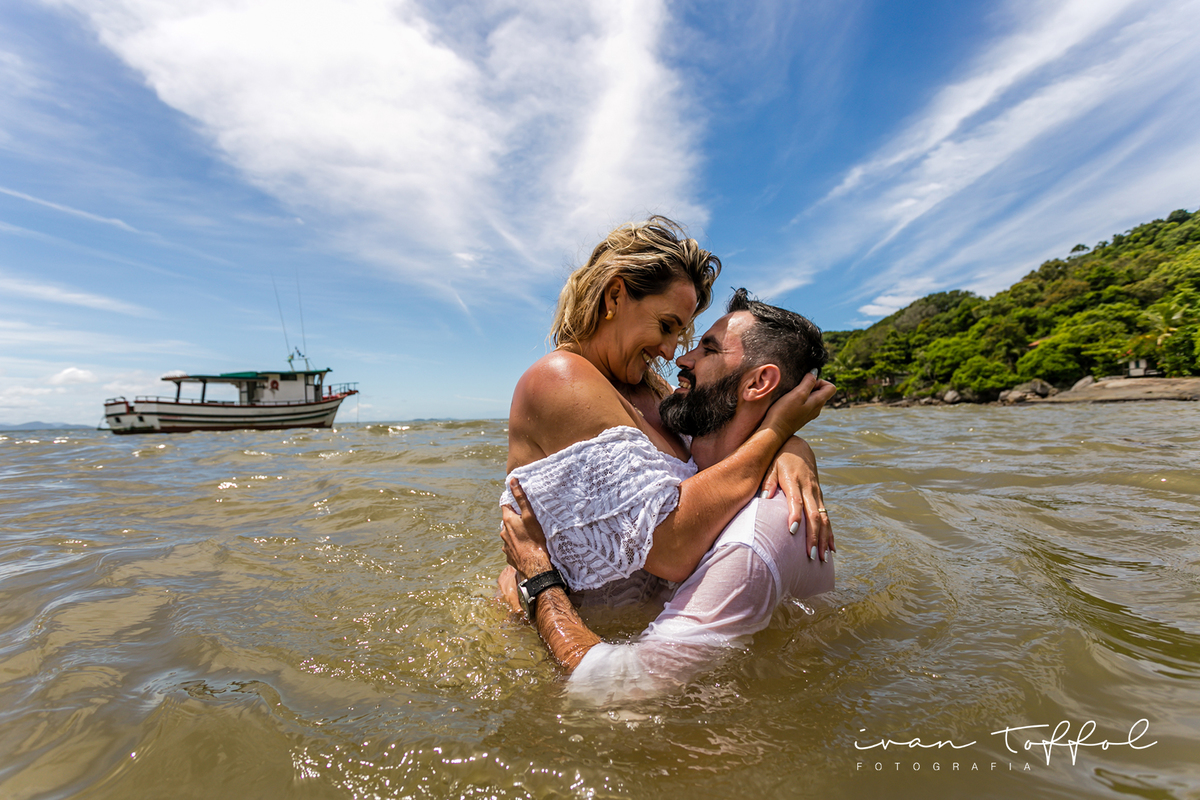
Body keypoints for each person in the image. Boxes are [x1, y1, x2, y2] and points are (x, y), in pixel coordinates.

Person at [500, 290, 835, 700]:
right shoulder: (713, 465)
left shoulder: (753, 542)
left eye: (708, 349)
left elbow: (616, 690)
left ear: (758, 382)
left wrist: (539, 579)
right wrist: (787, 441)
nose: (680, 357)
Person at [501, 217, 836, 611]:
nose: (671, 350)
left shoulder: (653, 389)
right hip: (562, 637)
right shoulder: (559, 379)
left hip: (640, 632)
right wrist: (777, 430)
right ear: (614, 297)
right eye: (665, 326)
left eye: (680, 332)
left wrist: (793, 448)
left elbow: (724, 450)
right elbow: (670, 546)